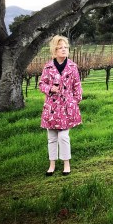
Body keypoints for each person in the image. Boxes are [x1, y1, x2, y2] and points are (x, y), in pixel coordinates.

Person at [39, 35, 82, 176]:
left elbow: (77, 86)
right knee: (51, 137)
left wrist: (75, 101)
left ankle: (66, 163)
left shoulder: (72, 67)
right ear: (54, 50)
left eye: (65, 47)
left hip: (67, 108)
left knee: (63, 136)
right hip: (51, 108)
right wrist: (50, 88)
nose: (63, 50)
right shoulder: (48, 67)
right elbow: (41, 84)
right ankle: (51, 164)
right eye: (60, 48)